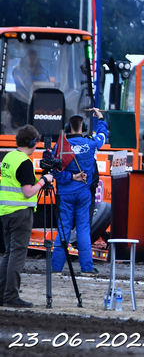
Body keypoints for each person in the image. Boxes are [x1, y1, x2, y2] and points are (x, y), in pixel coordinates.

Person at [0, 125, 54, 307]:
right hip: (20, 212)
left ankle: (3, 294)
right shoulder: (24, 162)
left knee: (9, 253)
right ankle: (11, 296)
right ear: (32, 142)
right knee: (17, 254)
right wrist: (44, 180)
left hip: (6, 211)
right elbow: (28, 192)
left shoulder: (9, 157)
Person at [51, 108, 107, 276]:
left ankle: (56, 268)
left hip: (65, 194)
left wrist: (71, 177)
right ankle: (87, 268)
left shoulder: (61, 147)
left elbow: (54, 172)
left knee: (63, 229)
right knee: (83, 230)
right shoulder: (91, 143)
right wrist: (101, 118)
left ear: (68, 128)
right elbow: (103, 136)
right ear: (84, 128)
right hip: (84, 194)